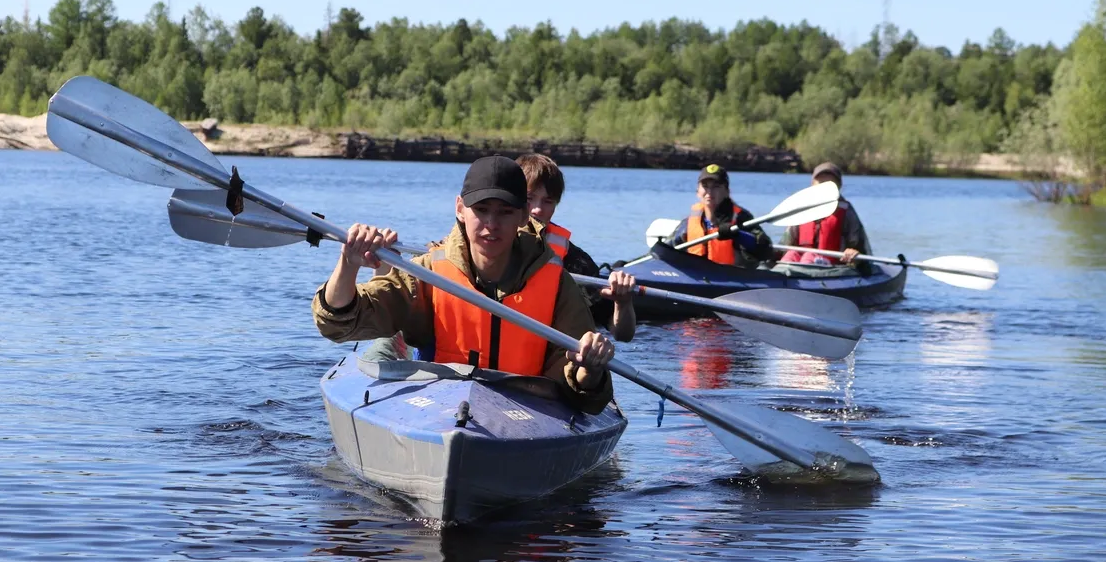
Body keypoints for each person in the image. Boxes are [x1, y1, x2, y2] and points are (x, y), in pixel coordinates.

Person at [313, 156, 615, 414]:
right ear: (460, 208)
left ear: (523, 216)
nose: (491, 224)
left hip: (526, 411)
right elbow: (338, 322)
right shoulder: (430, 272)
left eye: (505, 212)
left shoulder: (557, 285)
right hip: (438, 408)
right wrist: (348, 263)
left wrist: (589, 367)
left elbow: (588, 395)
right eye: (481, 210)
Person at [516, 154, 637, 342]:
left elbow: (622, 334)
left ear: (555, 205)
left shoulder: (575, 262)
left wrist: (623, 302)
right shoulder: (487, 244)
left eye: (548, 201)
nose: (537, 209)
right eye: (529, 198)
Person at [668, 164, 774, 268]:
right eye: (705, 186)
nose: (709, 192)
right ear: (698, 192)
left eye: (716, 187)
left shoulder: (741, 217)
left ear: (727, 191)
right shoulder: (689, 221)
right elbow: (667, 248)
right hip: (698, 277)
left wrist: (737, 235)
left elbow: (765, 250)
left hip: (733, 278)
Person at [777, 162, 872, 267]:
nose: (824, 188)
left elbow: (860, 249)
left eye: (829, 184)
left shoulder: (847, 211)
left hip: (834, 267)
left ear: (839, 186)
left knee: (808, 257)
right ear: (812, 185)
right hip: (800, 265)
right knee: (790, 255)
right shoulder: (801, 209)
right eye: (821, 183)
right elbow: (784, 246)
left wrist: (853, 253)